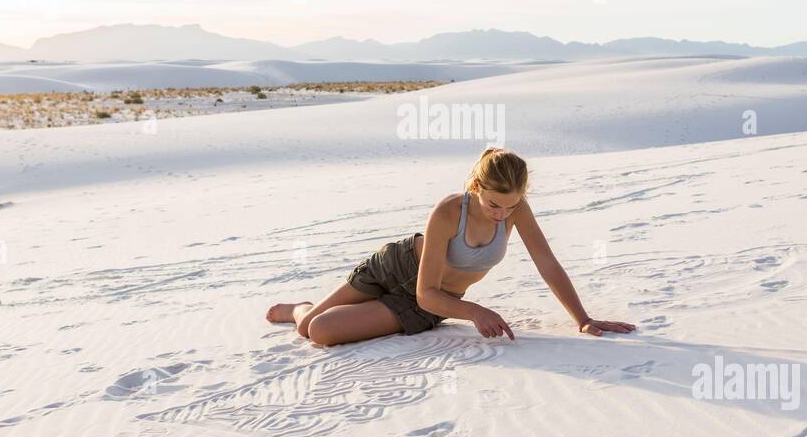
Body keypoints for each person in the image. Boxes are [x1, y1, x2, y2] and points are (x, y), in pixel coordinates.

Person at [265, 147, 636, 346]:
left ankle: (306, 312)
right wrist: (474, 311)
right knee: (306, 326)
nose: (501, 214)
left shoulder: (516, 209)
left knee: (320, 332)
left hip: (430, 301)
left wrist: (583, 319)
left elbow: (547, 264)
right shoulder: (448, 211)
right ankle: (299, 308)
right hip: (396, 267)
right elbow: (426, 290)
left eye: (510, 204)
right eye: (494, 204)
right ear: (476, 188)